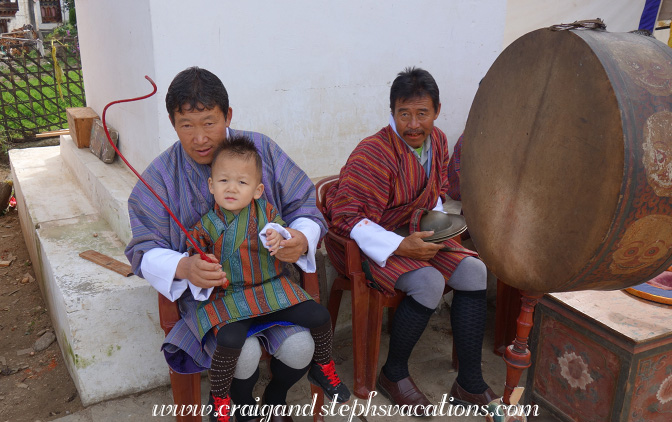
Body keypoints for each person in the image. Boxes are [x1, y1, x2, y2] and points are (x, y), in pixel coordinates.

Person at [125, 67, 328, 422]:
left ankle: (275, 397)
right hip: (209, 297)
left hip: (270, 286)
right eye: (186, 124)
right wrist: (184, 267)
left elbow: (304, 206)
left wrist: (301, 238)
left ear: (228, 115)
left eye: (209, 122)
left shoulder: (261, 150)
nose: (200, 137)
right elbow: (143, 248)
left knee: (301, 347)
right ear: (173, 123)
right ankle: (242, 405)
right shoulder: (158, 179)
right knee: (242, 352)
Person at [325, 67, 496, 407]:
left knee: (476, 272)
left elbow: (435, 193)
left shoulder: (440, 141)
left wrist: (434, 230)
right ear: (392, 113)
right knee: (429, 282)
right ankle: (394, 372)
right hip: (367, 244)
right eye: (404, 114)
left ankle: (470, 382)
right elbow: (344, 218)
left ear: (437, 111)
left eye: (422, 113)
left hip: (416, 230)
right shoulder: (373, 152)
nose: (413, 125)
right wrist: (401, 244)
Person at [187, 135, 349, 420]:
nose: (232, 189)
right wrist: (200, 260)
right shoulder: (206, 226)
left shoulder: (267, 213)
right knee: (229, 338)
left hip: (271, 288)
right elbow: (194, 255)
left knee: (320, 316)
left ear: (258, 189)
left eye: (242, 182)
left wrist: (281, 237)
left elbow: (286, 232)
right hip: (231, 296)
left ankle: (322, 367)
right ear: (211, 185)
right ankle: (221, 396)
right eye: (223, 181)